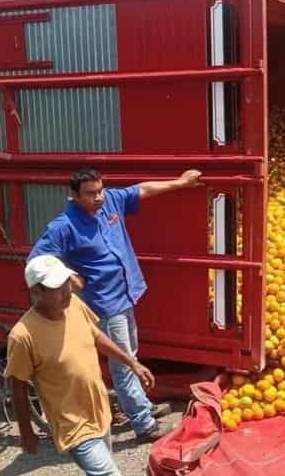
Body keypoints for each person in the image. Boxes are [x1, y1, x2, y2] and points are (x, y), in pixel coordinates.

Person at [5, 254, 191, 476]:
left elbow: (96, 335)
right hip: (72, 424)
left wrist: (132, 362)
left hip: (98, 407)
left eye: (66, 283)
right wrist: (26, 432)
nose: (66, 291)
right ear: (36, 291)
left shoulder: (73, 305)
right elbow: (17, 385)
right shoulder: (23, 336)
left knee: (103, 461)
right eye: (57, 287)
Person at [29, 167, 202, 441]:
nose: (98, 198)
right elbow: (38, 260)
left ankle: (140, 406)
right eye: (90, 194)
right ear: (73, 195)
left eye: (100, 190)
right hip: (105, 302)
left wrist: (180, 183)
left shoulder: (110, 201)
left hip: (127, 291)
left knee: (131, 353)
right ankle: (144, 425)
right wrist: (70, 277)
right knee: (123, 363)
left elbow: (143, 189)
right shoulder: (64, 226)